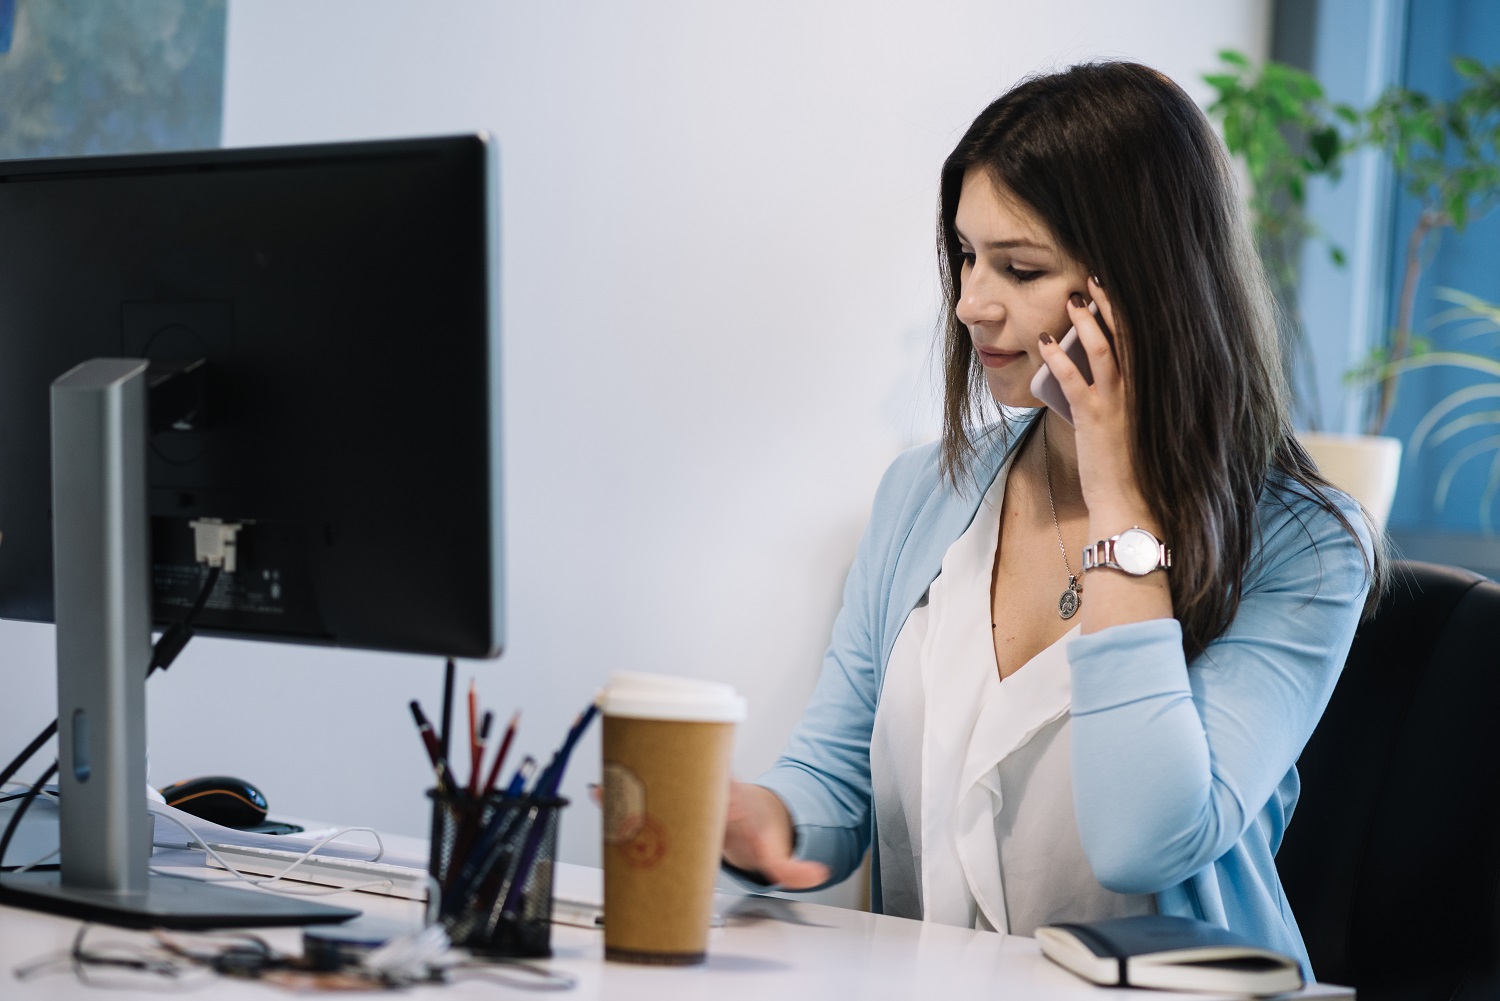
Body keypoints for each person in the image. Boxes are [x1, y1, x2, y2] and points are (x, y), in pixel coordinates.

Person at [720, 61, 1382, 977]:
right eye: (964, 256)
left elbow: (1145, 839)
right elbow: (831, 784)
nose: (969, 304)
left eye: (1019, 268)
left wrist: (1119, 500)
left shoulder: (1307, 546)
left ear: (1142, 286)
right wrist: (768, 819)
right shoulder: (922, 492)